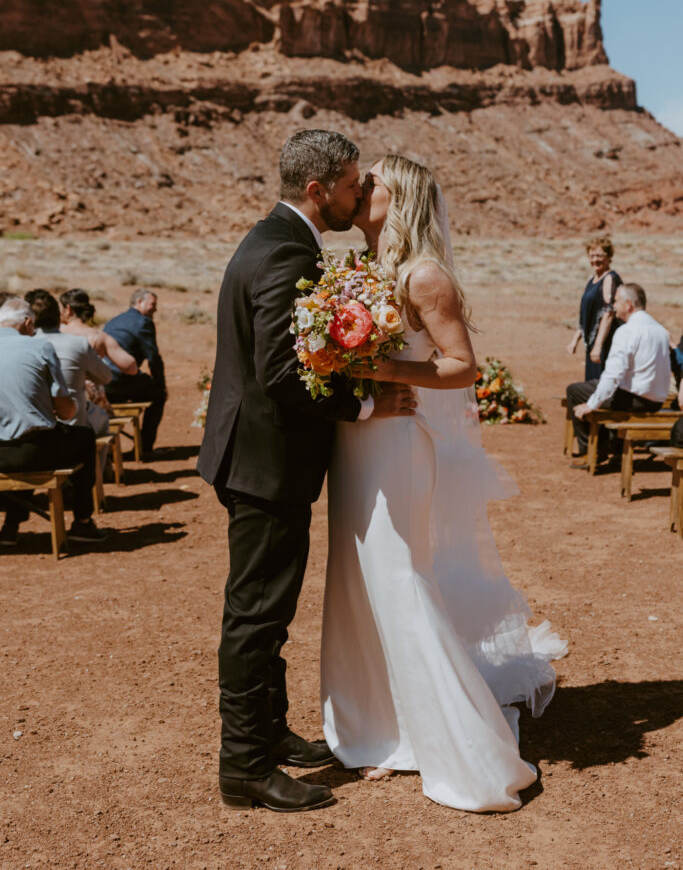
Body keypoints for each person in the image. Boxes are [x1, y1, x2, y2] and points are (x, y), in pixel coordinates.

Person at [321, 154, 566, 812]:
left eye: (370, 182)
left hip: (399, 442)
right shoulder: (358, 271)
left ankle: (457, 747)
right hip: (357, 441)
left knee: (400, 577)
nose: (358, 189)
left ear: (395, 198)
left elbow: (460, 367)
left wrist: (390, 380)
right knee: (358, 580)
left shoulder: (422, 275)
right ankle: (383, 726)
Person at [197, 130, 415, 814]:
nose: (359, 194)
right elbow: (280, 370)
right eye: (353, 184)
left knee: (267, 608)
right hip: (266, 461)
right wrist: (361, 404)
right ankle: (244, 768)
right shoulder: (284, 251)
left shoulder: (269, 238)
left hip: (258, 456)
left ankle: (269, 734)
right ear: (317, 189)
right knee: (256, 614)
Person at [0, 298, 105, 546]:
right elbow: (66, 411)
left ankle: (11, 526)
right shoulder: (40, 348)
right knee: (83, 437)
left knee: (21, 435)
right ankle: (82, 521)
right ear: (27, 323)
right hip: (35, 451)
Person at [568, 283, 671, 465]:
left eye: (616, 301)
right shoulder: (661, 331)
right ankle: (613, 447)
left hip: (634, 400)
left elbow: (613, 374)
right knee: (602, 390)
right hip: (656, 401)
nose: (613, 306)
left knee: (575, 391)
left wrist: (591, 404)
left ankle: (591, 452)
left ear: (628, 304)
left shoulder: (626, 331)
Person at [25, 289, 112, 435]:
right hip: (73, 425)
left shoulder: (25, 346)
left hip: (35, 426)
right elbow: (106, 377)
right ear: (59, 315)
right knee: (102, 418)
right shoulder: (79, 344)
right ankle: (100, 457)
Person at [103, 289, 167, 458]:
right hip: (122, 379)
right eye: (152, 304)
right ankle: (144, 448)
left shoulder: (114, 321)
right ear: (139, 302)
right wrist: (161, 384)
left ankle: (110, 451)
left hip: (105, 383)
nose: (155, 309)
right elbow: (153, 357)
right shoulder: (143, 322)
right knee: (158, 395)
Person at [567, 236, 622, 378]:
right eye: (592, 256)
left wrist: (598, 345)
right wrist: (575, 341)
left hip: (605, 342)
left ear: (609, 257)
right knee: (592, 384)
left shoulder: (610, 278)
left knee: (601, 383)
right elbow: (585, 314)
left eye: (599, 255)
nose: (595, 260)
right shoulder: (591, 280)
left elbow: (609, 313)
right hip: (591, 343)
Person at [59, 289, 137, 376]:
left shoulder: (55, 333)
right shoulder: (99, 337)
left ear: (68, 309)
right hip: (87, 388)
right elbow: (130, 367)